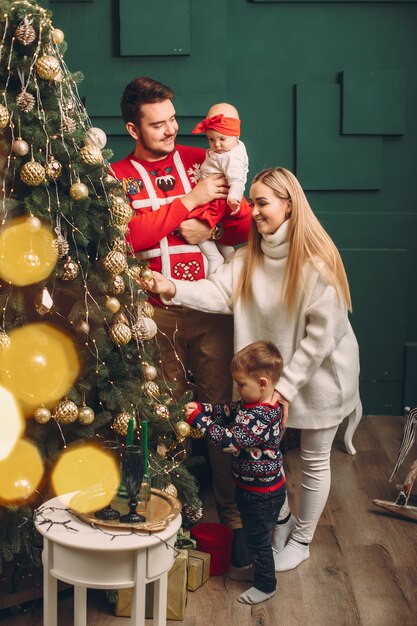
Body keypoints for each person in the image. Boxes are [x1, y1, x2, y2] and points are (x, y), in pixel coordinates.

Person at [140, 166, 362, 572]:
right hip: (270, 380)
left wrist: (286, 389)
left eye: (262, 203)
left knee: (313, 458)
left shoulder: (317, 261)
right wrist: (172, 288)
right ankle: (282, 521)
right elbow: (219, 292)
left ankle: (302, 539)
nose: (253, 212)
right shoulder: (249, 257)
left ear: (289, 205)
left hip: (318, 376)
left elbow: (320, 339)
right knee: (265, 457)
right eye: (252, 202)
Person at [111, 77, 253, 568]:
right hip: (154, 314)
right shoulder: (117, 175)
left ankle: (233, 517)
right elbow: (131, 234)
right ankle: (171, 515)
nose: (171, 129)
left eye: (173, 118)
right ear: (133, 127)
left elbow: (242, 220)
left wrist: (211, 224)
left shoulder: (203, 158)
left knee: (218, 409)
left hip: (210, 307)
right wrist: (188, 204)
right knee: (166, 411)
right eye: (158, 123)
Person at [184, 340, 286, 605]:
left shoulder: (260, 417)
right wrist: (204, 409)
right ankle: (259, 571)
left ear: (263, 383)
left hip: (262, 493)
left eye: (242, 384)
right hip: (252, 486)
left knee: (258, 538)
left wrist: (200, 423)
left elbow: (230, 441)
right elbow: (227, 410)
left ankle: (266, 585)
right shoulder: (248, 405)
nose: (239, 390)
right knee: (255, 537)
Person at [190, 102, 249, 273]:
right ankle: (230, 259)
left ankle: (213, 258)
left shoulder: (230, 157)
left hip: (215, 200)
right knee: (223, 241)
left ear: (235, 134)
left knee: (195, 221)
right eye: (211, 139)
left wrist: (234, 198)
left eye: (222, 139)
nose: (216, 145)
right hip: (214, 196)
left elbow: (238, 180)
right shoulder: (234, 147)